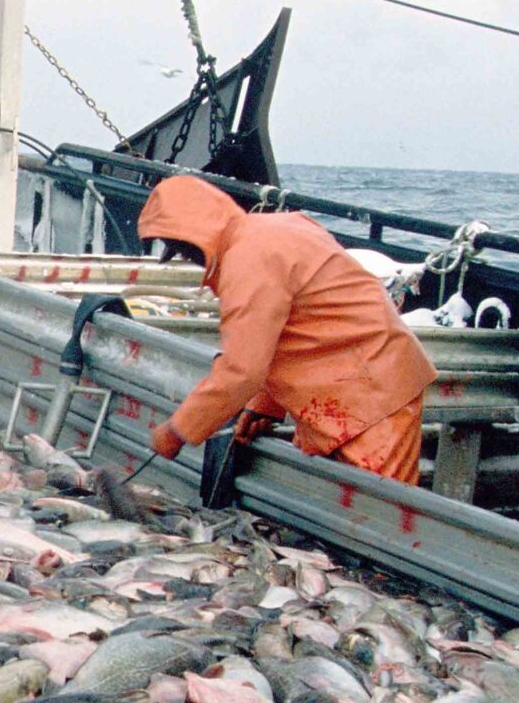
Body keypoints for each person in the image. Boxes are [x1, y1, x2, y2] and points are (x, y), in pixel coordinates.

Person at [135, 175, 436, 485]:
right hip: (355, 385)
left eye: (183, 250)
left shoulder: (248, 260)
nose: (189, 259)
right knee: (347, 505)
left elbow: (241, 370)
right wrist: (265, 406)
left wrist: (177, 430)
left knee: (375, 508)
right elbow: (299, 326)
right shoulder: (277, 227)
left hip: (372, 394)